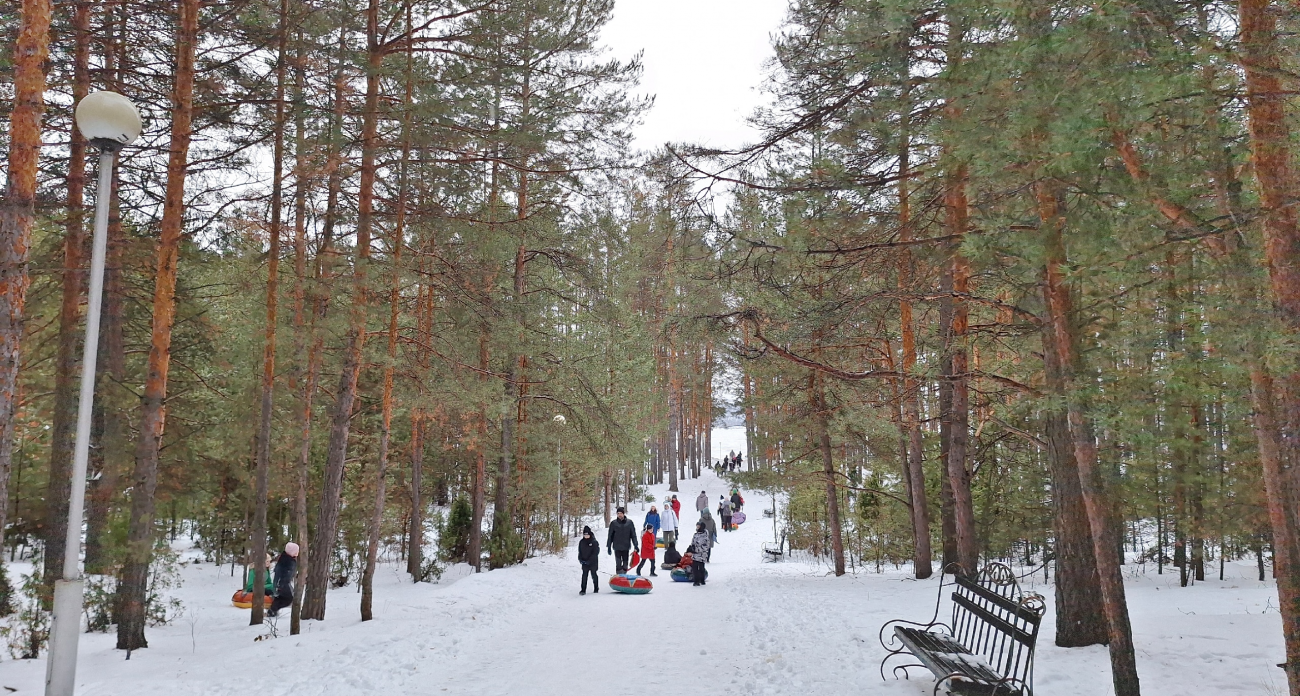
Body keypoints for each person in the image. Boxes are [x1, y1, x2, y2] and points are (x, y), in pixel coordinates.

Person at [267, 542, 299, 617]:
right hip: (283, 583)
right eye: (296, 551)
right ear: (292, 552)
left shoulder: (285, 558)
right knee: (289, 599)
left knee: (281, 597)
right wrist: (280, 584)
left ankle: (272, 610)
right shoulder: (288, 561)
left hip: (282, 583)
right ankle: (272, 610)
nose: (297, 553)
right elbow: (283, 573)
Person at [607, 507, 639, 575]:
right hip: (617, 546)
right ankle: (618, 576)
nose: (619, 515)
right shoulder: (613, 523)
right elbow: (610, 536)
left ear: (623, 513)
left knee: (625, 564)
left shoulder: (629, 523)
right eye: (618, 513)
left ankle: (624, 576)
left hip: (626, 546)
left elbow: (633, 535)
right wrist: (609, 546)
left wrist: (636, 545)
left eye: (621, 513)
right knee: (618, 563)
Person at [578, 526, 600, 595]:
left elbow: (595, 552)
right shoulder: (581, 542)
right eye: (584, 535)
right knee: (584, 575)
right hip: (584, 562)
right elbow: (580, 552)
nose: (586, 536)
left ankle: (596, 588)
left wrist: (590, 560)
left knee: (594, 574)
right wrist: (580, 559)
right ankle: (583, 589)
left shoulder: (594, 542)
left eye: (587, 535)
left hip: (593, 562)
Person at [690, 522, 712, 586]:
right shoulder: (695, 534)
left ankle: (702, 580)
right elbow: (693, 542)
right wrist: (692, 548)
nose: (697, 527)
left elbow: (706, 546)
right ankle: (696, 581)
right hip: (695, 554)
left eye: (698, 526)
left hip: (702, 555)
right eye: (697, 526)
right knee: (694, 567)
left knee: (701, 567)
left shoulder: (705, 536)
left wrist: (697, 550)